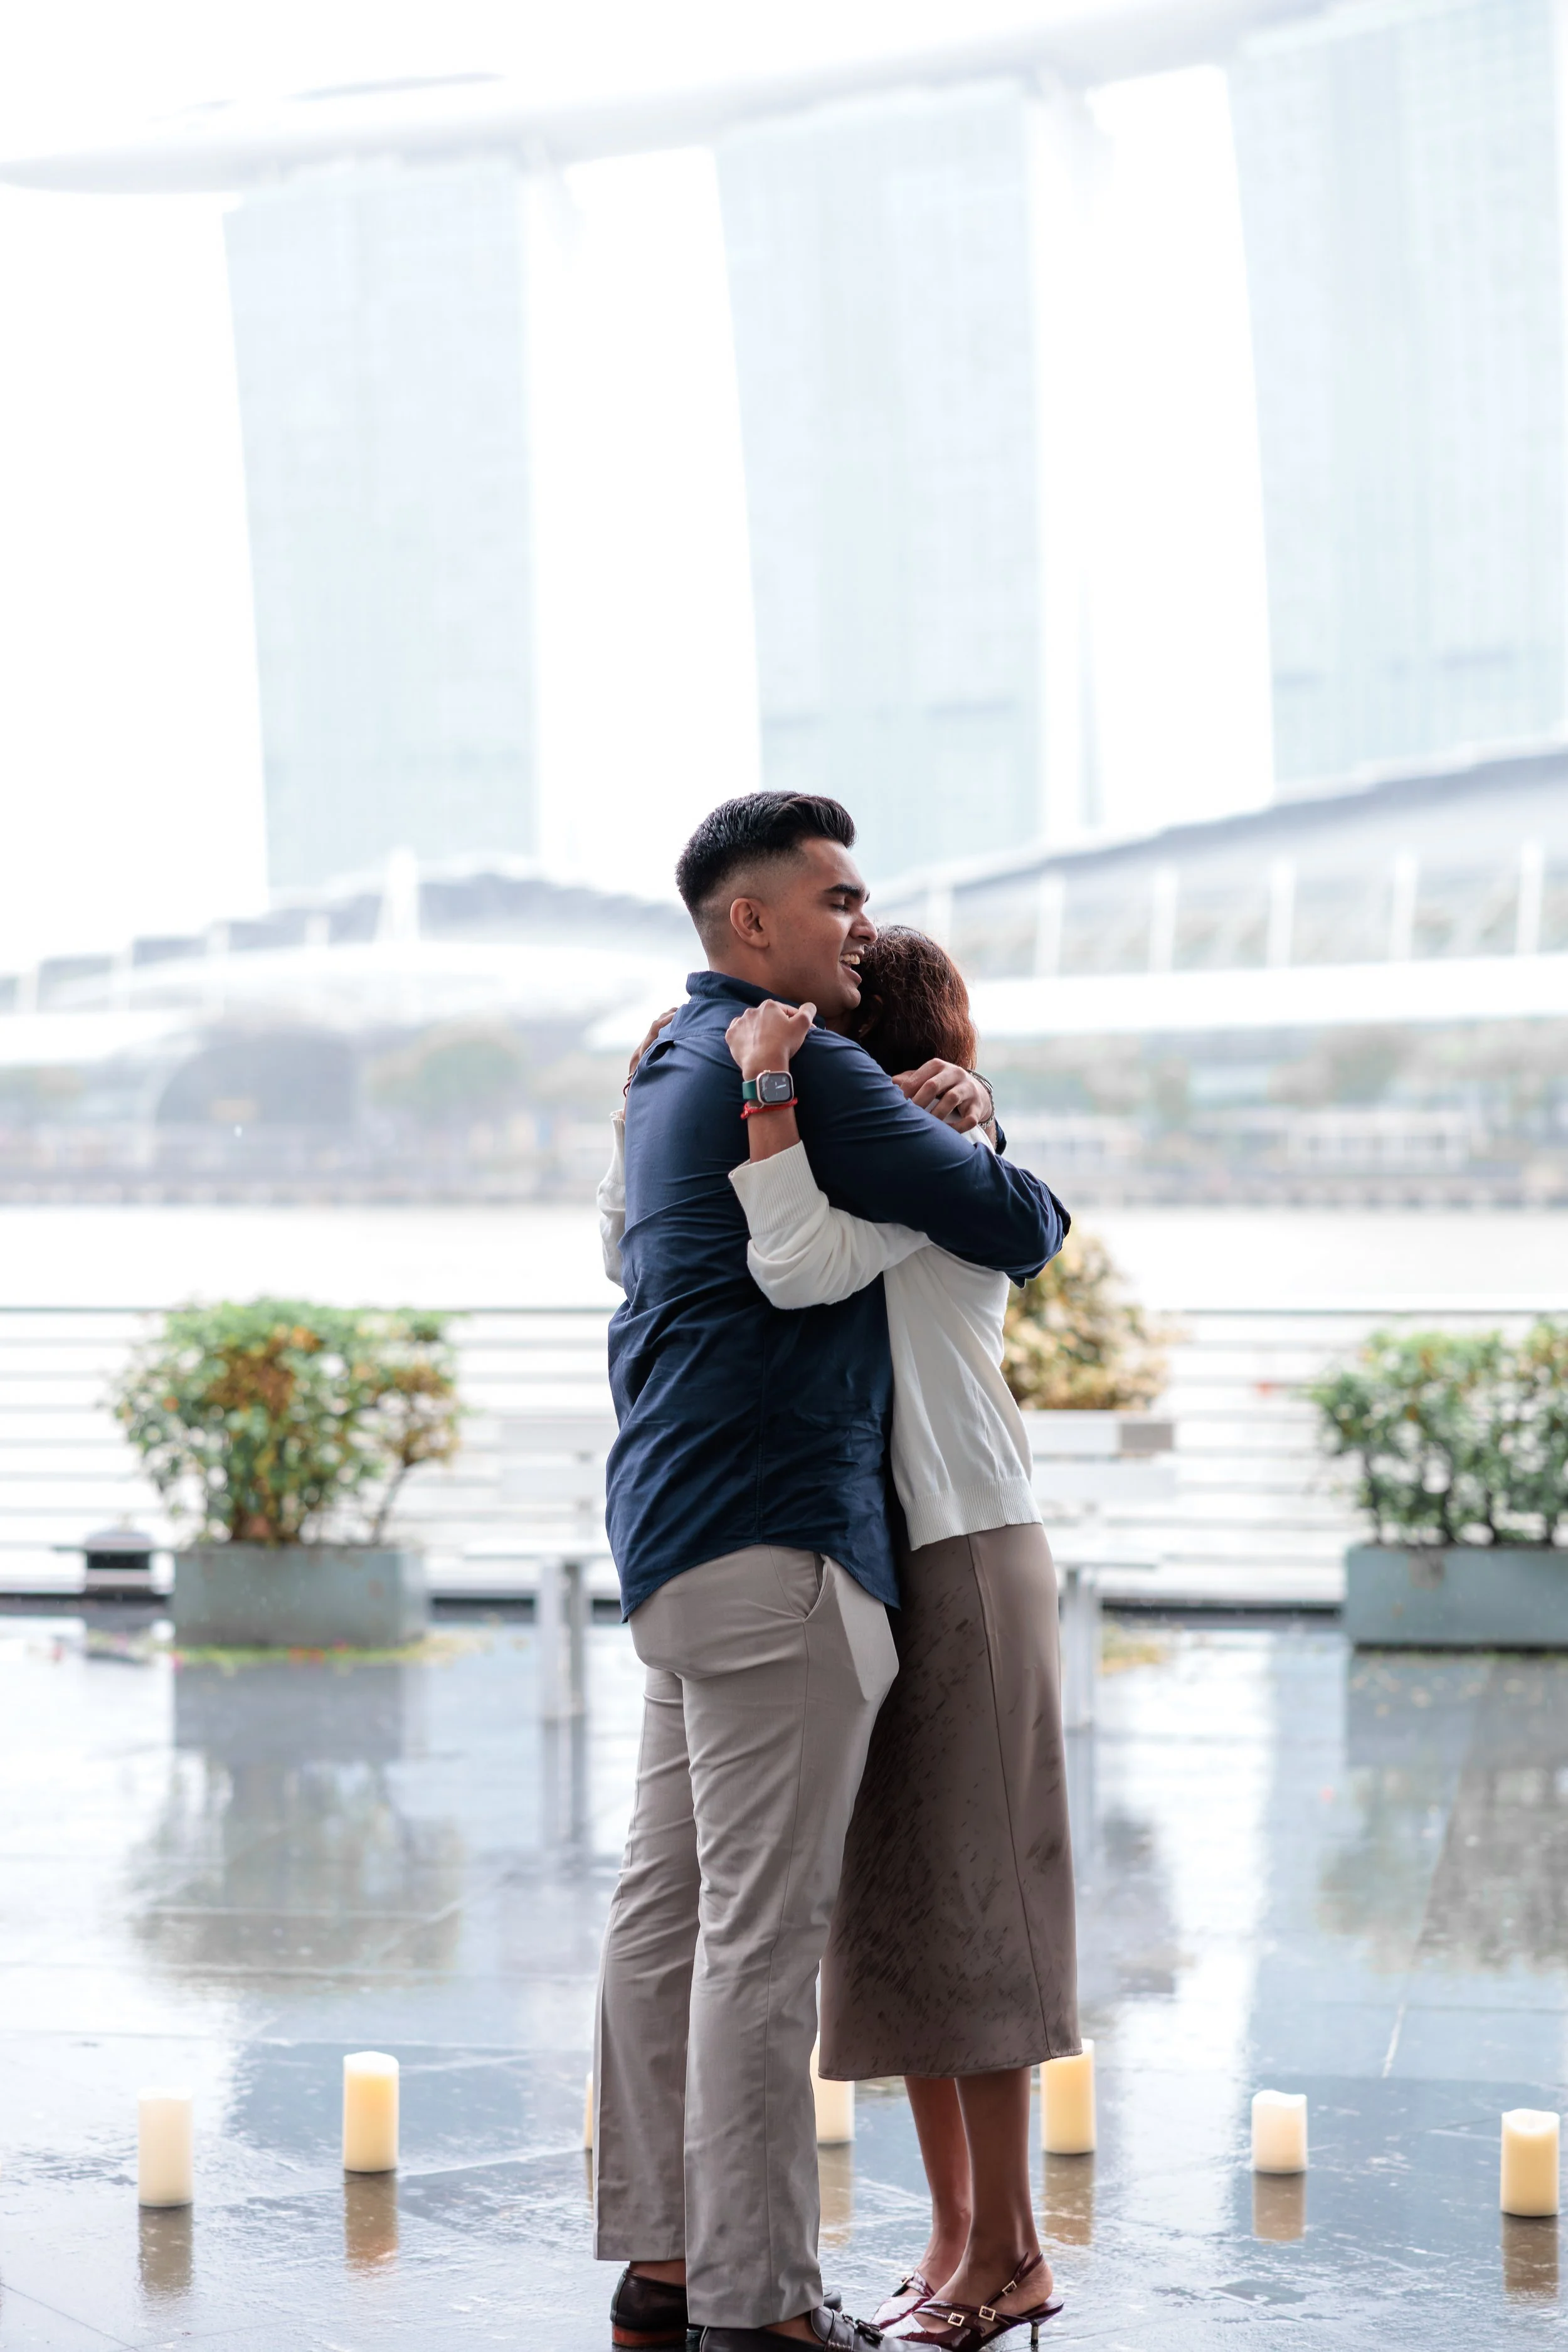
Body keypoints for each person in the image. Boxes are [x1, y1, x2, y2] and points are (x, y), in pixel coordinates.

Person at [590, 792, 1067, 2352]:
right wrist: (973, 1131)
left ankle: (665, 2263)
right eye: (837, 898)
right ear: (752, 922)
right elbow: (1020, 1227)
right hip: (783, 1540)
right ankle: (761, 2305)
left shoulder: (667, 1066)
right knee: (756, 1939)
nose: (858, 919)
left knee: (664, 1914)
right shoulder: (815, 1073)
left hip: (669, 1533)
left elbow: (638, 1260)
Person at [719, 926, 1078, 2352]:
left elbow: (801, 1260)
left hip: (968, 1550)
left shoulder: (936, 1163)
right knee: (904, 1920)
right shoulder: (899, 1153)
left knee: (979, 1915)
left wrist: (773, 1094)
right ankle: (952, 2236)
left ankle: (1013, 2254)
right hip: (888, 1558)